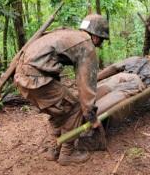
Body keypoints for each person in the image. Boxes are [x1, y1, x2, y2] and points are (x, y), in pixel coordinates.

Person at [13, 14, 109, 166]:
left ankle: (55, 148)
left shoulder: (66, 33)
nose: (99, 45)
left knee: (60, 107)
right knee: (77, 106)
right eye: (101, 41)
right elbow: (86, 88)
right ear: (96, 37)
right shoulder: (87, 44)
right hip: (36, 78)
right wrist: (92, 117)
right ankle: (67, 152)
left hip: (20, 77)